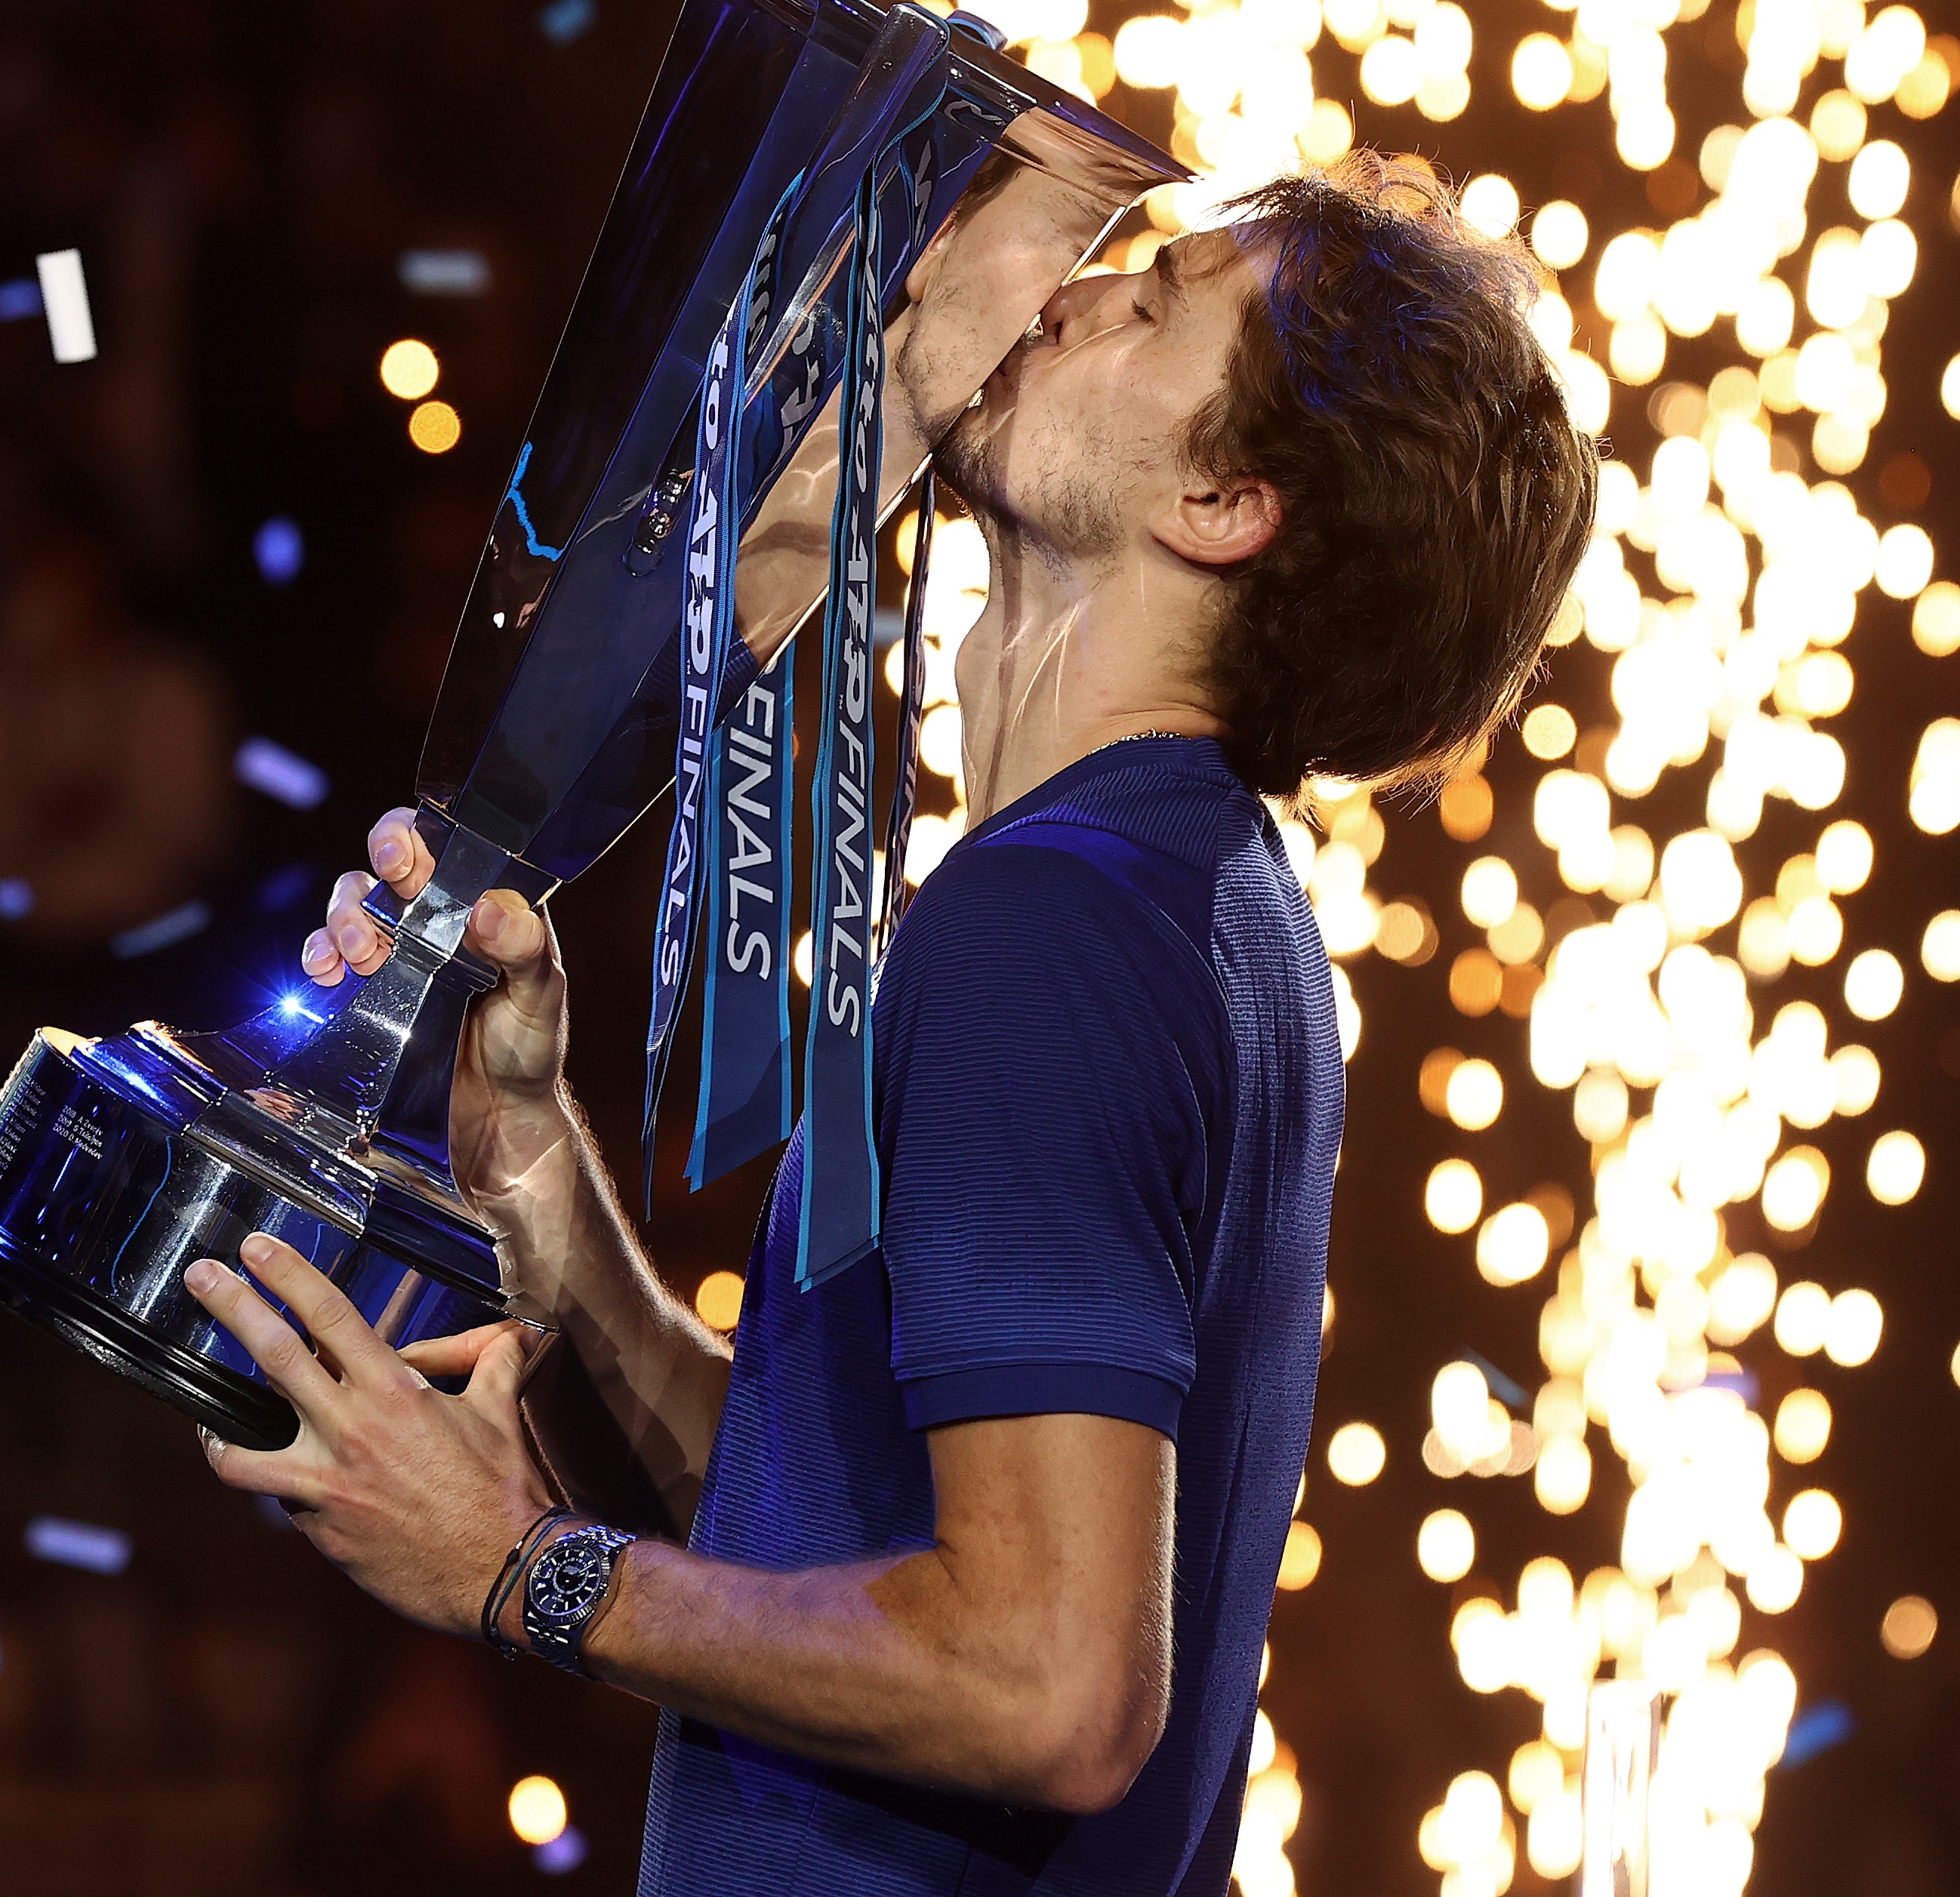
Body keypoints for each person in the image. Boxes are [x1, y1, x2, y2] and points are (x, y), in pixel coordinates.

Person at [177, 153, 1600, 1894]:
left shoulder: (1059, 928)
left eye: (1150, 305)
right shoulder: (1195, 901)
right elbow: (836, 1539)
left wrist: (525, 1564)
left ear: (1227, 500)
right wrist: (547, 1193)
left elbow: (1049, 1687)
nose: (1066, 294)